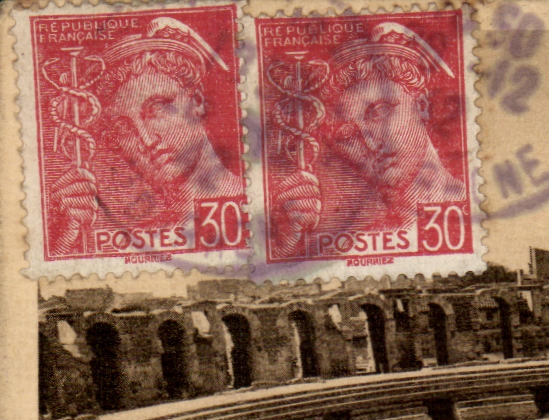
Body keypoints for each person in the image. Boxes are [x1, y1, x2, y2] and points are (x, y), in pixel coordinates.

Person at [50, 16, 238, 254]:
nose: (146, 141)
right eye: (123, 128)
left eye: (157, 108)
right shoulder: (141, 239)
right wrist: (65, 238)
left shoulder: (269, 209)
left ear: (197, 101)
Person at [272, 21, 466, 250]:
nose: (371, 143)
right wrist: (286, 241)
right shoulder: (358, 236)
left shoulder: (474, 205)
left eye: (380, 111)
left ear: (421, 105)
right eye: (347, 134)